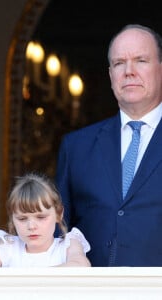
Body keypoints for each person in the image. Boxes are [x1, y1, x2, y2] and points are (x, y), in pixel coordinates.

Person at [55, 24, 162, 266]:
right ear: (111, 75)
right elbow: (57, 231)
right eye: (119, 63)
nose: (129, 71)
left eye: (141, 60)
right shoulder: (76, 147)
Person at [0, 173, 91, 267]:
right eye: (22, 218)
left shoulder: (69, 244)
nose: (31, 226)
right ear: (12, 219)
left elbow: (80, 266)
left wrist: (33, 276)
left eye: (41, 217)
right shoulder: (8, 246)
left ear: (58, 214)